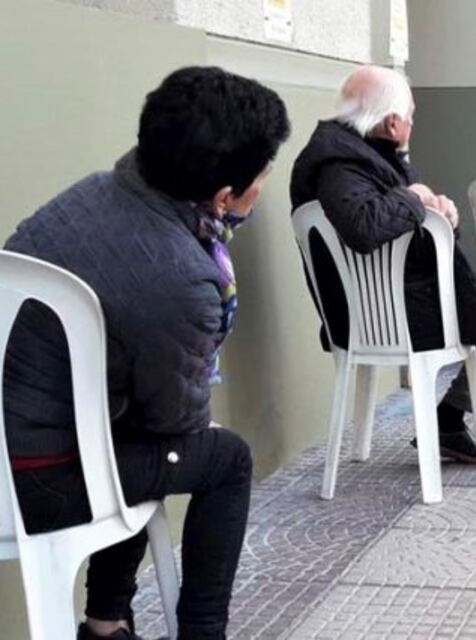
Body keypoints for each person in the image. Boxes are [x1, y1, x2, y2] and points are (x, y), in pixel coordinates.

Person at [2, 66, 290, 640]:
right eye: (262, 175)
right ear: (225, 196)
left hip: (16, 439)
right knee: (222, 458)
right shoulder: (185, 277)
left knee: (141, 434)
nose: (263, 186)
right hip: (36, 481)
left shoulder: (90, 193)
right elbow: (175, 422)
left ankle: (106, 625)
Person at [290, 66, 476, 478]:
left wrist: (443, 215)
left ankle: (449, 423)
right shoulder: (339, 165)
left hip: (397, 305)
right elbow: (364, 227)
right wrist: (415, 199)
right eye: (411, 115)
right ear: (392, 121)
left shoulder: (360, 157)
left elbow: (401, 221)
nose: (413, 123)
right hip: (388, 316)